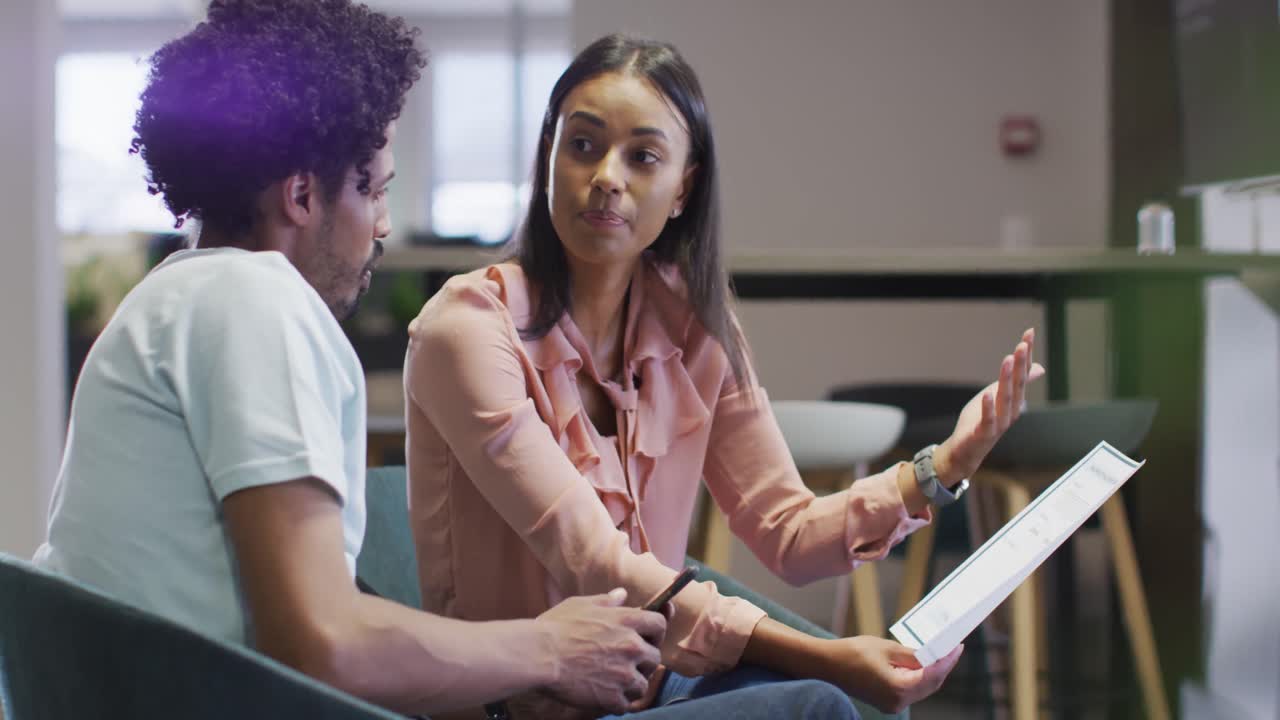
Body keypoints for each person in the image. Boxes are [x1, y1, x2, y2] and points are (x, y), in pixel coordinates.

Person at [26, 4, 794, 718]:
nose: (385, 227)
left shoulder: (174, 299)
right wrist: (547, 648)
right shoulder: (253, 302)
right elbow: (322, 642)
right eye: (378, 191)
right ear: (302, 195)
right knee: (806, 707)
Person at [404, 33, 1045, 717]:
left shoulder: (692, 326)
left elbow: (789, 531)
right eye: (583, 145)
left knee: (830, 700)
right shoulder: (466, 329)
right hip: (518, 706)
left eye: (643, 156)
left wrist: (941, 467)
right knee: (822, 703)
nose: (607, 177)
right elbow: (597, 562)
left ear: (684, 187)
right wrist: (829, 655)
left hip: (651, 685)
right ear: (549, 158)